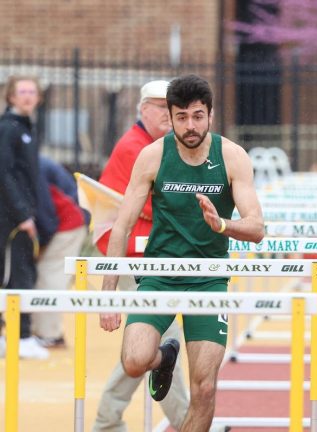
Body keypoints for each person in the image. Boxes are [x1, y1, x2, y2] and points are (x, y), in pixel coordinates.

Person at [100, 74, 264, 431]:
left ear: (211, 115)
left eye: (198, 116)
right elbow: (122, 225)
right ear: (170, 117)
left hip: (208, 282)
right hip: (159, 277)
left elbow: (256, 228)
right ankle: (164, 357)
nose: (190, 126)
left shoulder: (232, 157)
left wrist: (222, 224)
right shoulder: (153, 156)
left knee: (204, 389)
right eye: (182, 117)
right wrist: (108, 295)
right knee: (133, 361)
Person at [92, 80, 194, 432]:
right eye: (159, 106)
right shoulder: (137, 148)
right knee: (158, 341)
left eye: (172, 107)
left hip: (144, 251)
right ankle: (181, 421)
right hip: (128, 252)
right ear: (142, 110)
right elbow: (155, 205)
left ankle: (111, 421)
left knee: (152, 345)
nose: (168, 113)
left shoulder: (156, 145)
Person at [0, 75, 50, 359]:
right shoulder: (9, 128)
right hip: (11, 219)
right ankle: (21, 336)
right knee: (17, 274)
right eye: (22, 91)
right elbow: (3, 173)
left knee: (19, 272)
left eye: (32, 91)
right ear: (11, 96)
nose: (28, 96)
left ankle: (19, 335)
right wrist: (22, 214)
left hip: (21, 215)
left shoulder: (26, 127)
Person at [31, 156, 88, 348]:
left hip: (66, 223)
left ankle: (50, 335)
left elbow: (46, 213)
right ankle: (42, 331)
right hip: (67, 218)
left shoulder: (30, 165)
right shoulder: (30, 160)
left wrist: (41, 245)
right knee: (48, 275)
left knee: (50, 277)